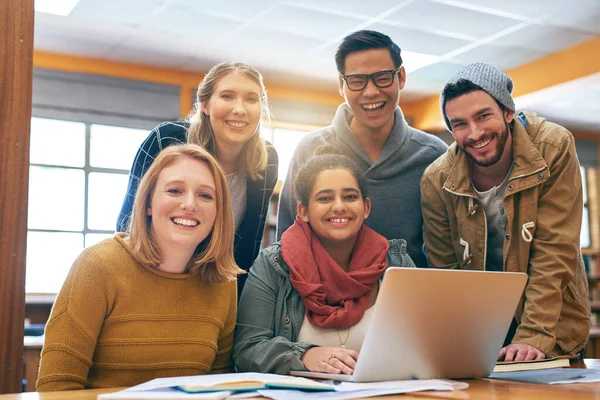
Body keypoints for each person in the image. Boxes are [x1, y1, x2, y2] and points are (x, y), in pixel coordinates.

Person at [420, 62, 590, 362]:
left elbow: (555, 251)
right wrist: (460, 338)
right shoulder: (437, 180)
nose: (475, 133)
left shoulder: (553, 147)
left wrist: (533, 335)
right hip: (481, 326)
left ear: (508, 112)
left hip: (550, 322)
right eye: (459, 124)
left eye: (483, 116)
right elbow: (445, 269)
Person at [37, 144, 242, 391]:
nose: (190, 204)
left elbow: (218, 386)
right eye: (175, 190)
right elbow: (56, 388)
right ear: (148, 203)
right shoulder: (96, 266)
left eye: (205, 195)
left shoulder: (222, 282)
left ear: (218, 212)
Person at [233, 151, 415, 375]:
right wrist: (304, 355)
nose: (339, 206)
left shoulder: (397, 263)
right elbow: (247, 349)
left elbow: (424, 342)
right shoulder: (273, 264)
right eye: (325, 198)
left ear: (366, 207)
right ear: (303, 211)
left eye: (350, 197)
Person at [276, 30, 447, 268]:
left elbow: (444, 251)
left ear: (402, 77)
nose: (371, 92)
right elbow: (288, 240)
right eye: (357, 81)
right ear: (341, 85)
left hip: (408, 300)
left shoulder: (434, 155)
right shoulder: (310, 150)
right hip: (322, 301)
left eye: (383, 77)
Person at [117, 61, 278, 295]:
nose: (240, 109)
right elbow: (129, 223)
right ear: (205, 104)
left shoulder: (267, 160)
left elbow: (247, 248)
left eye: (251, 99)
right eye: (227, 96)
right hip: (148, 277)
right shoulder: (167, 140)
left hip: (213, 287)